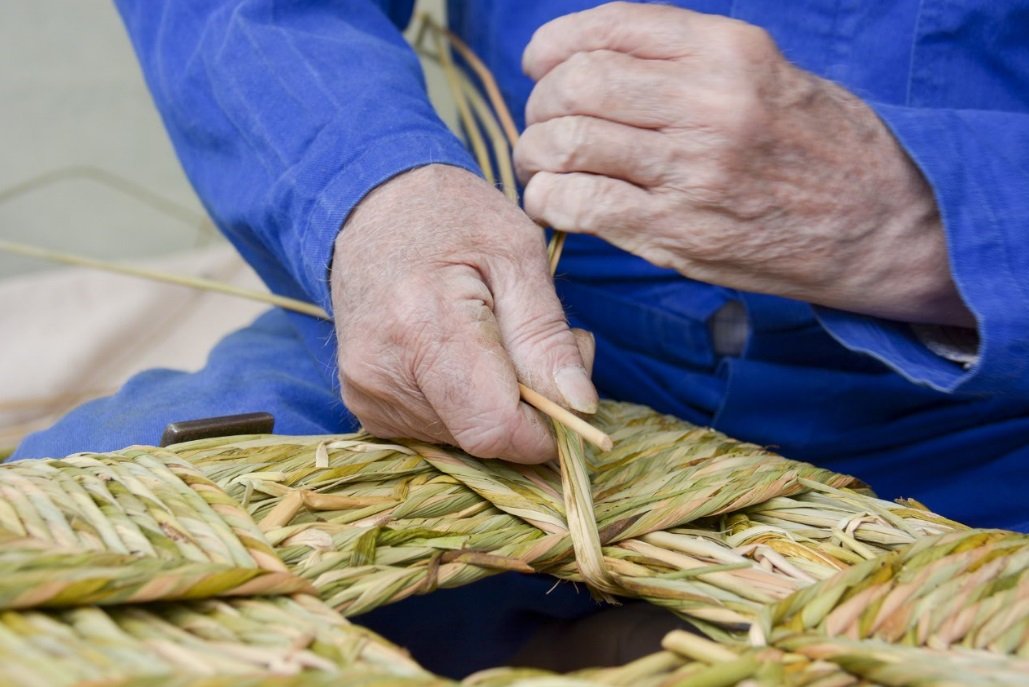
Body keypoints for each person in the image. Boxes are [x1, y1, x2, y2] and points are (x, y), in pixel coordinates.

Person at [14, 0, 1029, 674]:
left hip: (987, 429)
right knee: (54, 569)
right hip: (514, 340)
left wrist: (930, 218)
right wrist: (370, 191)